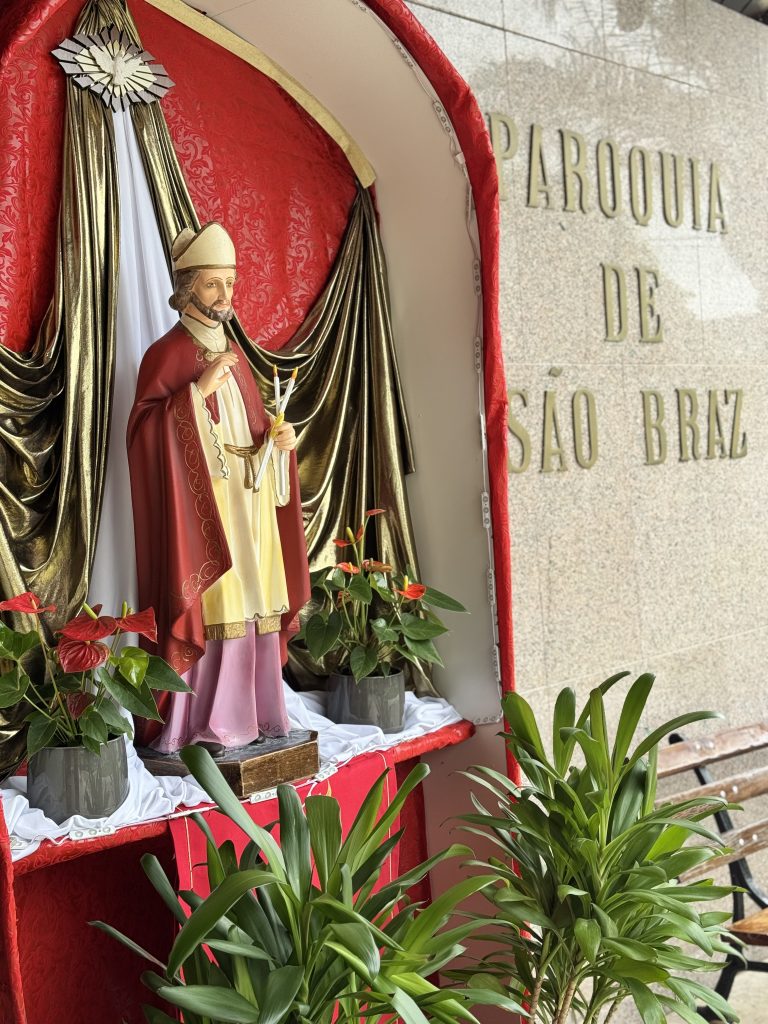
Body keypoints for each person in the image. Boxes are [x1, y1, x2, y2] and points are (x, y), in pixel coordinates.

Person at [127, 222, 310, 754]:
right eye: (212, 283)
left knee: (255, 598)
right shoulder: (167, 353)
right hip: (205, 509)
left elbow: (254, 431)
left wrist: (278, 441)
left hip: (248, 502)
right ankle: (210, 722)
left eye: (229, 282)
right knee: (220, 601)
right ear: (188, 288)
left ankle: (260, 714)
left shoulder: (235, 353)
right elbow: (143, 433)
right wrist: (195, 394)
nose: (224, 294)